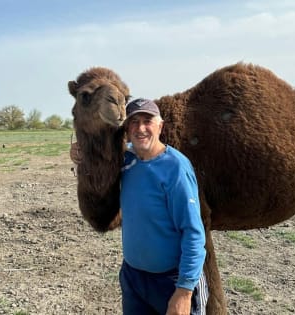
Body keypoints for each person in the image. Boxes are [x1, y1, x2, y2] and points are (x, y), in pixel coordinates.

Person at [71, 98, 208, 315]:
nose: (140, 128)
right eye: (133, 122)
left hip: (172, 280)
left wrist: (184, 290)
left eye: (147, 121)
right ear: (126, 128)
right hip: (133, 278)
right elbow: (99, 154)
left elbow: (193, 233)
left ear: (160, 126)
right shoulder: (125, 159)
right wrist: (80, 152)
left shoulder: (175, 169)